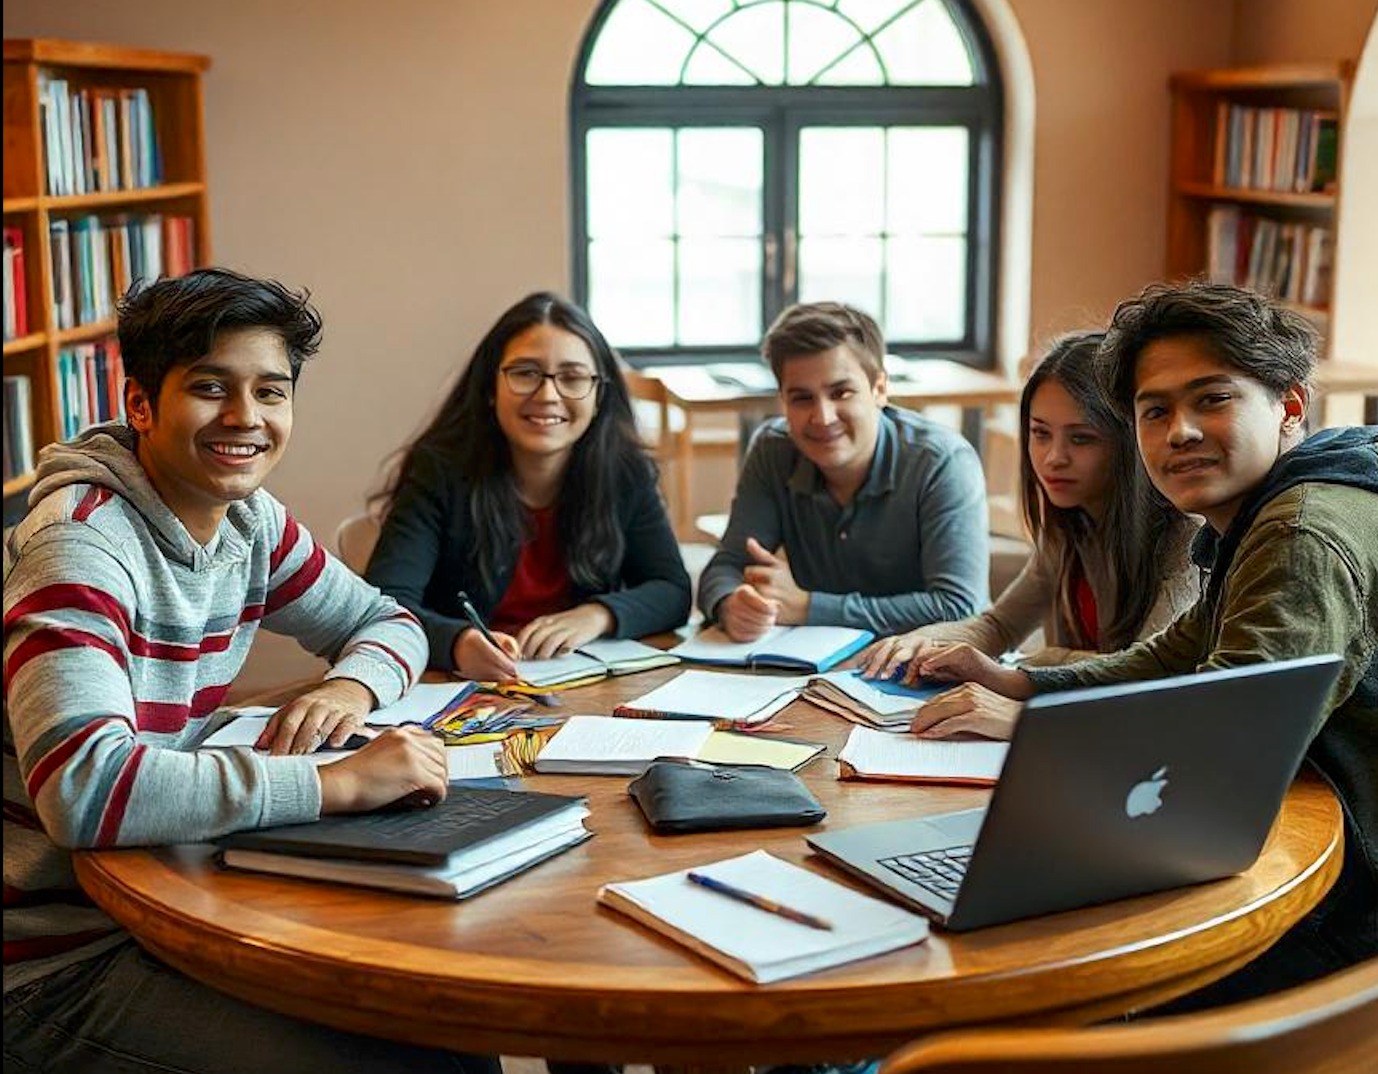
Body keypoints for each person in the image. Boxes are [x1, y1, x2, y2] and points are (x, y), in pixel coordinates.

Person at [2, 269, 495, 1072]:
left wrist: (350, 684)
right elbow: (85, 789)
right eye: (210, 387)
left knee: (452, 1035)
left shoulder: (249, 522)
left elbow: (389, 624)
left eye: (272, 391)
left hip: (168, 898)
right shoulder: (80, 547)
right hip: (52, 961)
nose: (246, 418)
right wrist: (338, 785)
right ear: (140, 404)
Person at [916, 280, 1378, 1001]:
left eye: (1212, 399)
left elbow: (1216, 760)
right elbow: (1178, 653)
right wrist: (1026, 683)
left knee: (1019, 978)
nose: (1179, 431)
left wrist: (1041, 742)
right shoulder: (1277, 508)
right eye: (1154, 411)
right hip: (1335, 863)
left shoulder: (1301, 534)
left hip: (1365, 918)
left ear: (1289, 405)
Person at [859, 332, 1199, 738]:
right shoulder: (1068, 526)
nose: (1054, 457)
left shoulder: (1186, 540)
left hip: (1131, 743)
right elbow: (998, 627)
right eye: (1040, 434)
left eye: (1081, 438)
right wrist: (921, 641)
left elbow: (1141, 677)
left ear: (1128, 442)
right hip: (1068, 738)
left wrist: (1029, 665)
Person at [366, 291, 691, 682]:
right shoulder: (439, 470)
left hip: (583, 686)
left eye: (572, 377)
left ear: (599, 394)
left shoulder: (624, 471)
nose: (548, 395)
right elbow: (385, 603)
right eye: (525, 373)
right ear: (490, 387)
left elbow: (672, 591)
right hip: (464, 691)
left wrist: (598, 615)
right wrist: (456, 642)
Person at [696, 301, 989, 641]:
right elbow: (727, 566)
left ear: (879, 389)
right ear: (783, 401)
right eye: (802, 398)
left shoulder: (942, 462)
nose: (823, 417)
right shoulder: (773, 450)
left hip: (928, 670)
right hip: (811, 666)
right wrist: (732, 603)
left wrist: (809, 608)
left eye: (841, 393)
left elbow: (959, 608)